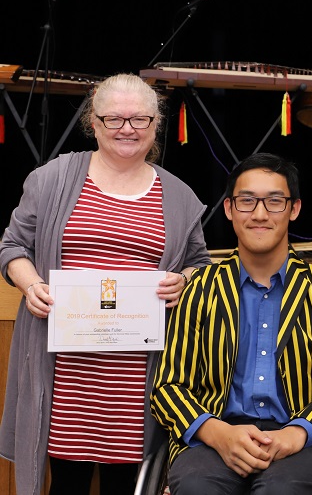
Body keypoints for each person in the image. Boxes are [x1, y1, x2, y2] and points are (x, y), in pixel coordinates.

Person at [0, 73, 211, 495]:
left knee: (127, 484)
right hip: (65, 375)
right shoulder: (51, 178)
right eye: (114, 119)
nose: (127, 129)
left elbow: (199, 263)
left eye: (140, 120)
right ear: (93, 123)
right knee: (67, 483)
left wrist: (183, 281)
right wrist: (31, 285)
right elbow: (12, 247)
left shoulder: (179, 195)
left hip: (137, 381)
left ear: (156, 125)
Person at [151, 152, 312, 495]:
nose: (260, 214)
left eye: (275, 201)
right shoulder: (201, 290)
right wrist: (217, 433)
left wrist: (296, 434)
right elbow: (168, 388)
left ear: (294, 209)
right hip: (212, 439)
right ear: (229, 209)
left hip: (300, 444)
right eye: (247, 201)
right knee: (197, 487)